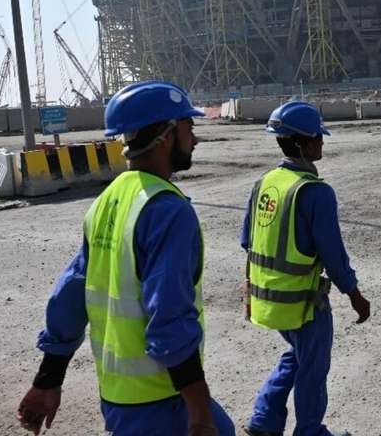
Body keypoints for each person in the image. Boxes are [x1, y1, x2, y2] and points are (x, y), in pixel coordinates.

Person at [16, 81, 235, 436]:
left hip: (120, 400)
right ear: (166, 134)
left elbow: (70, 295)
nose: (194, 139)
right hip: (163, 402)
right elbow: (169, 317)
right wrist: (198, 410)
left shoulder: (107, 200)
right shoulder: (168, 210)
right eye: (188, 127)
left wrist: (48, 378)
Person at [241, 102, 369, 436]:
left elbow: (248, 241)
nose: (322, 143)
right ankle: (310, 431)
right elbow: (333, 255)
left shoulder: (264, 183)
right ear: (301, 142)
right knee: (313, 367)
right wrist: (355, 294)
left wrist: (249, 291)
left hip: (268, 299)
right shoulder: (315, 192)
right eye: (317, 137)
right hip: (303, 304)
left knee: (297, 355)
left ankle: (265, 418)